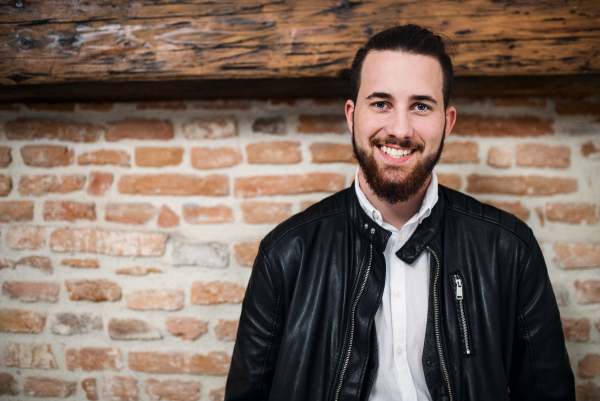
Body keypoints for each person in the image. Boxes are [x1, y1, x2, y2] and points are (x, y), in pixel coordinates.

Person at [225, 24, 575, 401]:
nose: (400, 129)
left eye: (421, 106)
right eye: (381, 104)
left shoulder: (511, 250)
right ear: (351, 115)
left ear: (448, 123)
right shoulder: (285, 253)